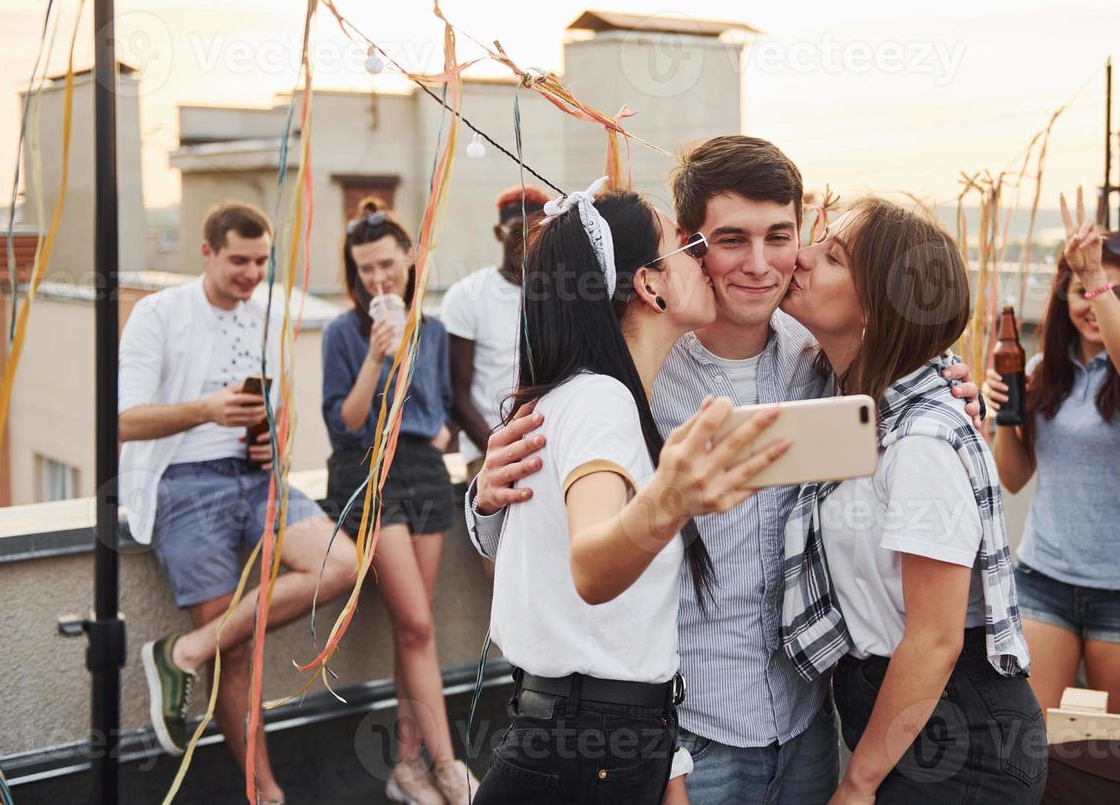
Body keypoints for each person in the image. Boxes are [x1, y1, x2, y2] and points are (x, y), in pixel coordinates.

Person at [467, 136, 987, 805]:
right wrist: (486, 494)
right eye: (733, 239)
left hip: (806, 727)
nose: (761, 264)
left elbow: (905, 385)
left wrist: (941, 380)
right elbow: (548, 539)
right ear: (688, 244)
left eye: (780, 236)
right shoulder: (633, 374)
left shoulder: (823, 360)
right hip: (685, 740)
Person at [476, 179, 790, 804]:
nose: (703, 260)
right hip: (586, 752)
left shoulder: (584, 395)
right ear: (649, 284)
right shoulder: (600, 400)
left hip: (598, 741)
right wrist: (671, 499)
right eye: (687, 245)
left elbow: (618, 628)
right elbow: (593, 567)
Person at [781, 196, 1045, 803]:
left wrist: (859, 781)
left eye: (831, 256)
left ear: (874, 308)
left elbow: (935, 639)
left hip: (962, 741)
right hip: (911, 721)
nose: (800, 256)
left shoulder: (922, 440)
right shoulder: (854, 408)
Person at [124, 203, 358, 805]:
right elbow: (122, 421)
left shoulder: (269, 312)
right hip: (184, 482)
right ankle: (266, 794)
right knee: (239, 652)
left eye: (260, 261)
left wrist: (270, 436)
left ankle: (183, 653)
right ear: (206, 251)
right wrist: (205, 410)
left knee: (340, 564)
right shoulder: (158, 313)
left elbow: (278, 412)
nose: (251, 273)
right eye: (238, 261)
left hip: (259, 479)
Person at [982, 189, 1120, 717]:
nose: (1097, 304)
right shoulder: (1042, 373)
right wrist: (1003, 415)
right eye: (1086, 291)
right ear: (1063, 299)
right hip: (1043, 578)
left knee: (1110, 751)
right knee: (1038, 743)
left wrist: (1094, 273)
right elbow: (1013, 477)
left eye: (1118, 292)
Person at [321, 199, 473, 804]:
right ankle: (448, 764)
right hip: (366, 474)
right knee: (414, 623)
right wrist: (376, 358)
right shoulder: (342, 333)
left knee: (416, 631)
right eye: (365, 271)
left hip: (423, 470)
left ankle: (407, 766)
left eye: (387, 265)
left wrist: (432, 430)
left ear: (411, 259)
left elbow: (439, 415)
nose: (378, 280)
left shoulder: (430, 330)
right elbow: (344, 423)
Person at [442, 185, 551, 476]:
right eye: (517, 231)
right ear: (497, 232)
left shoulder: (559, 296)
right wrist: (500, 450)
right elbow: (457, 394)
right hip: (489, 455)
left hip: (551, 448)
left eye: (536, 231)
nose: (526, 241)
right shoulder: (466, 295)